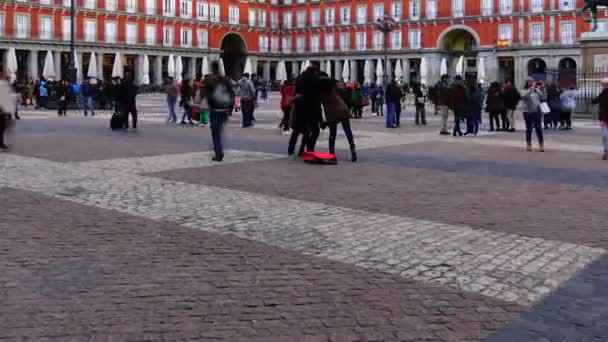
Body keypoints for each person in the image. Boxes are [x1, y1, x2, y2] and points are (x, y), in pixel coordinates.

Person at [288, 62, 324, 156]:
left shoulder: (299, 78)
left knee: (297, 130)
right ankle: (308, 148)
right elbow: (317, 94)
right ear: (315, 71)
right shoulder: (314, 79)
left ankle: (291, 149)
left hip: (300, 108)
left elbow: (297, 91)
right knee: (314, 130)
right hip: (312, 108)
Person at [204, 60, 235, 162]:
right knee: (219, 130)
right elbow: (232, 93)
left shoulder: (210, 80)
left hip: (215, 110)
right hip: (224, 109)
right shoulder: (226, 80)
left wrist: (209, 106)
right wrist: (230, 109)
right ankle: (218, 149)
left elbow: (207, 95)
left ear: (212, 69)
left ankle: (218, 153)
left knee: (215, 132)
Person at [325, 80, 357, 162]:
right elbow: (346, 95)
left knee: (332, 134)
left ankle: (332, 154)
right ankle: (353, 149)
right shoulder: (337, 89)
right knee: (347, 130)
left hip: (332, 112)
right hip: (343, 109)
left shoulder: (324, 92)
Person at [522, 79, 546, 152]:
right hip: (527, 112)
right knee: (529, 129)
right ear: (527, 83)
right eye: (529, 82)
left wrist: (538, 91)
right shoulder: (524, 90)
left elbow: (543, 98)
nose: (531, 83)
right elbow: (524, 97)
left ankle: (541, 145)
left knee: (538, 128)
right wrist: (530, 90)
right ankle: (529, 145)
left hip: (536, 111)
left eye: (532, 82)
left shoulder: (537, 91)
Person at [593, 79, 608, 160]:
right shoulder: (602, 93)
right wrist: (594, 100)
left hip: (604, 116)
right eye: (603, 84)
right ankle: (606, 151)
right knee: (605, 135)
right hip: (604, 118)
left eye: (605, 84)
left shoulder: (603, 93)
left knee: (605, 135)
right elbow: (596, 100)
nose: (604, 85)